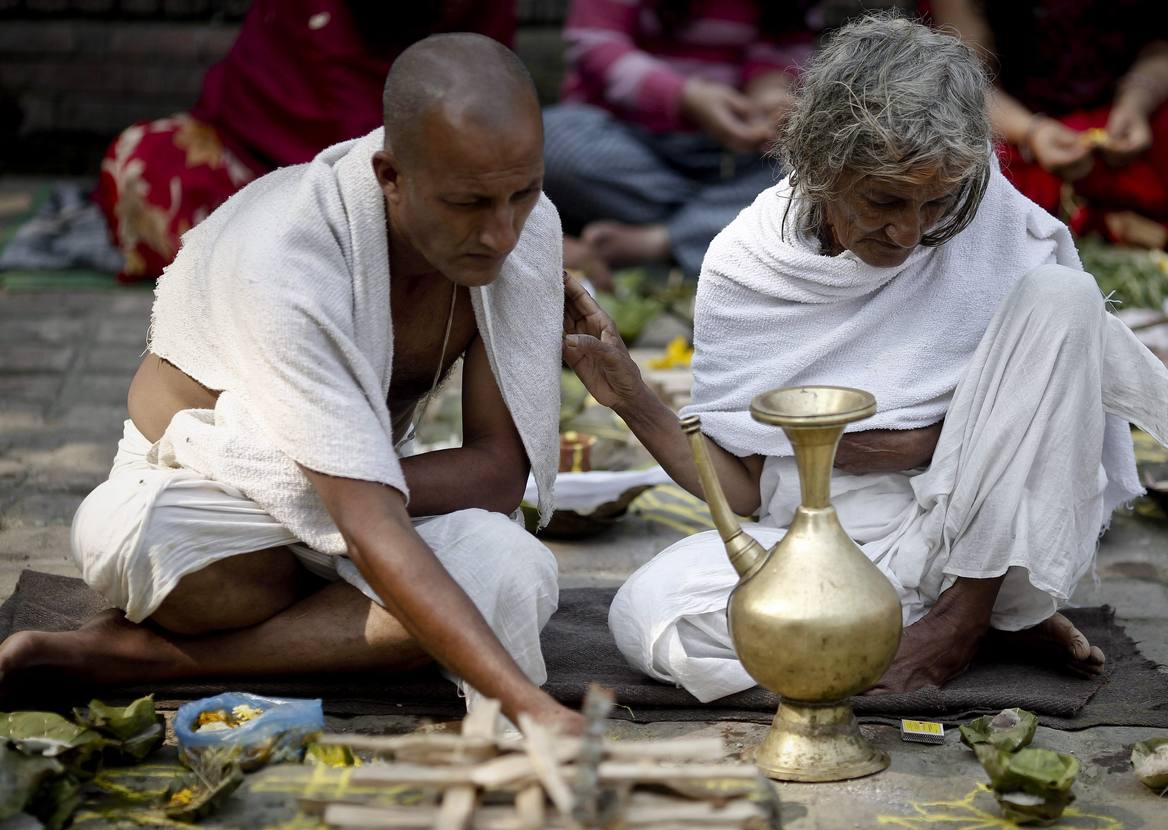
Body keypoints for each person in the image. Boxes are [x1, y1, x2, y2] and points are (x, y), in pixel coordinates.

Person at [560, 13, 1168, 702]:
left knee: (1064, 298)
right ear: (822, 165)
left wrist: (930, 441)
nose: (911, 231)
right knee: (651, 617)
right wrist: (630, 397)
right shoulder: (746, 265)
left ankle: (966, 615)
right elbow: (741, 490)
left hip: (972, 527)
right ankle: (956, 626)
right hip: (820, 547)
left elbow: (1040, 401)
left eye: (936, 203)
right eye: (884, 200)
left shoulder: (985, 213)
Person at [1, 35, 582, 734]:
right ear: (390, 176)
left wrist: (355, 486)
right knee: (137, 538)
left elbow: (493, 475)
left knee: (514, 572)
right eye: (469, 203)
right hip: (211, 493)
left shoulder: (525, 226)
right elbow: (368, 522)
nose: (501, 233)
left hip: (368, 490)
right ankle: (347, 620)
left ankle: (149, 660)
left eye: (523, 193)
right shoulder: (287, 254)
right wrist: (529, 705)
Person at [97, 0, 515, 281]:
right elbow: (348, 138)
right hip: (261, 156)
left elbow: (492, 87)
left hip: (431, 156)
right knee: (140, 165)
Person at [927, 0, 1168, 255]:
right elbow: (961, 75)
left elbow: (1167, 44)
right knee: (962, 161)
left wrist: (1135, 103)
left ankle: (1167, 241)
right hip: (1012, 128)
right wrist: (1032, 132)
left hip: (1123, 116)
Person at [543, 0, 818, 286]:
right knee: (551, 142)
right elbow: (598, 46)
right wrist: (683, 98)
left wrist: (771, 96)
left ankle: (658, 240)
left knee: (813, 171)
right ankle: (719, 224)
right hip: (625, 139)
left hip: (735, 156)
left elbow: (780, 52)